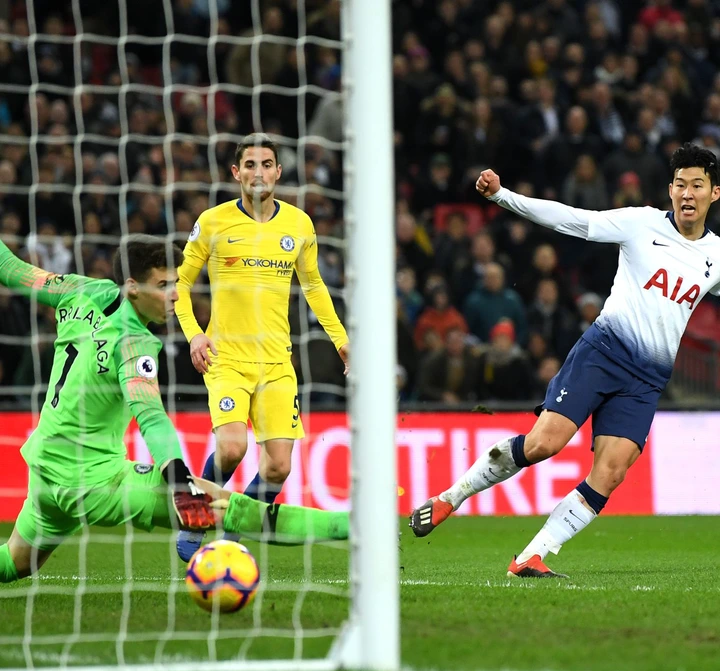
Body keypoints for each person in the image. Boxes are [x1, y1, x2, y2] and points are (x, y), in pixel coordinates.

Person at [410, 142, 720, 578]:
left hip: (647, 380)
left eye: (698, 186)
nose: (688, 194)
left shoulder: (715, 257)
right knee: (543, 444)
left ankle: (530, 557)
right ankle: (451, 496)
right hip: (604, 353)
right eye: (681, 185)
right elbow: (570, 218)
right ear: (669, 190)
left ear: (714, 194)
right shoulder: (640, 224)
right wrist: (503, 196)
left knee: (611, 473)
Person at [0, 235, 349, 583]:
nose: (176, 294)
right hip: (93, 483)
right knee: (228, 508)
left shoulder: (79, 290)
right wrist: (179, 481)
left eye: (176, 283)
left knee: (11, 565)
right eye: (164, 285)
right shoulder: (134, 346)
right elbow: (151, 418)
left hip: (45, 467)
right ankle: (354, 524)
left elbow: (10, 268)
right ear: (133, 288)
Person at [175, 133, 349, 561]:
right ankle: (195, 514)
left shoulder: (298, 224)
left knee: (279, 466)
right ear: (236, 173)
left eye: (266, 164)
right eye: (249, 165)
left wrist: (342, 341)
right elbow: (178, 283)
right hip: (226, 358)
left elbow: (313, 286)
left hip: (276, 362)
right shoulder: (213, 222)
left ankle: (236, 527)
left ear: (278, 171)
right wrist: (194, 334)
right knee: (232, 447)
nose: (258, 172)